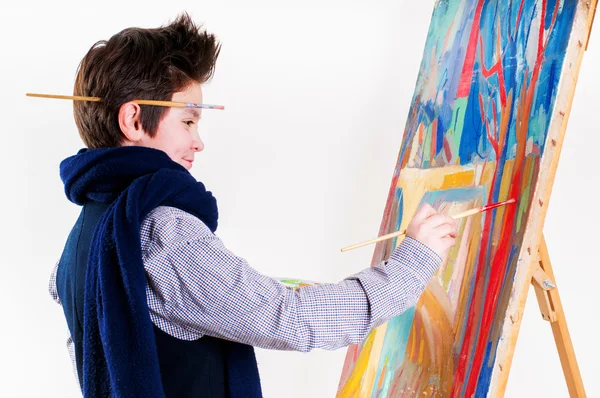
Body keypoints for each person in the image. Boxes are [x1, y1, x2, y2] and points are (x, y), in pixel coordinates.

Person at [48, 12, 458, 398]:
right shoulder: (161, 231)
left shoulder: (80, 244)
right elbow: (291, 319)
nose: (198, 141)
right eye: (188, 120)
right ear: (135, 120)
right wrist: (412, 264)